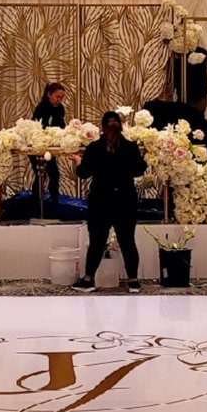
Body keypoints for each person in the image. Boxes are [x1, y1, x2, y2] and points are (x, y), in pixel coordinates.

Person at [72, 110, 146, 293]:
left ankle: (88, 280)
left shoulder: (94, 148)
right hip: (125, 199)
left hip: (101, 200)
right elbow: (139, 170)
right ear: (121, 127)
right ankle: (133, 281)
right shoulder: (130, 147)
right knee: (127, 241)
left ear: (102, 128)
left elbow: (83, 173)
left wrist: (78, 161)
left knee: (97, 241)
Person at [29, 81, 67, 209]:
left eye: (61, 97)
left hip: (50, 147)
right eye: (57, 97)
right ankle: (36, 204)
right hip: (37, 146)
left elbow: (61, 126)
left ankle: (54, 203)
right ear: (49, 94)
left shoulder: (60, 108)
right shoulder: (41, 108)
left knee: (54, 174)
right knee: (41, 174)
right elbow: (37, 128)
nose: (59, 100)